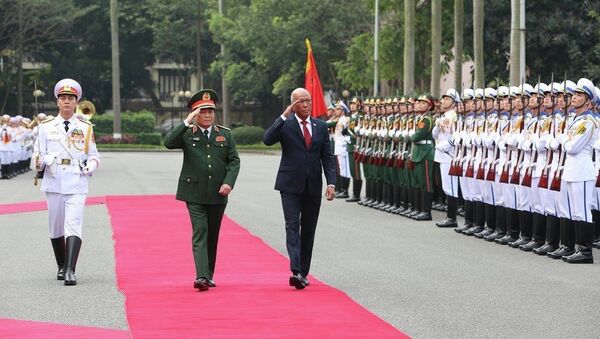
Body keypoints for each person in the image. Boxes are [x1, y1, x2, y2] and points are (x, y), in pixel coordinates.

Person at [164, 89, 240, 291]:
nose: (207, 115)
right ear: (194, 113)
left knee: (212, 235)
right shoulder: (187, 133)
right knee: (201, 231)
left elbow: (234, 161)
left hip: (218, 193)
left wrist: (228, 182)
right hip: (194, 193)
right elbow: (168, 143)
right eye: (202, 111)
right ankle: (202, 277)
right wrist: (187, 122)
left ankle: (210, 274)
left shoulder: (224, 134)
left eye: (210, 111)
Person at [263, 87, 336, 290]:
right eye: (301, 101)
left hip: (313, 185)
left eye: (308, 101)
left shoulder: (320, 126)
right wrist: (284, 115)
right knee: (292, 225)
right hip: (290, 185)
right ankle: (295, 270)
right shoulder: (286, 125)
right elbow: (267, 139)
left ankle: (303, 271)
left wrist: (331, 183)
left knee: (309, 229)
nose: (306, 104)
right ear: (293, 104)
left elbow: (327, 158)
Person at [34, 78, 100, 286]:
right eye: (63, 98)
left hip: (76, 180)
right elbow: (36, 156)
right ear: (57, 102)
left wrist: (90, 167)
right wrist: (42, 161)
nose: (66, 102)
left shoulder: (85, 127)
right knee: (55, 227)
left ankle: (70, 269)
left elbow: (95, 156)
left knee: (74, 224)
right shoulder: (45, 127)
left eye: (70, 98)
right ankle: (61, 266)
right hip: (54, 181)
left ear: (76, 102)